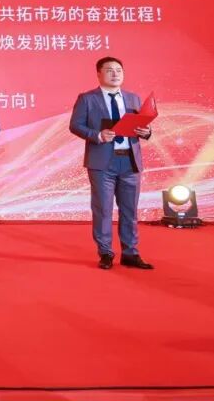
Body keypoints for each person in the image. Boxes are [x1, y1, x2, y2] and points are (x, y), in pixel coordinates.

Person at [69, 56, 154, 271]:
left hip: (130, 161)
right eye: (109, 70)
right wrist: (97, 135)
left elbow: (141, 125)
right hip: (102, 162)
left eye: (119, 70)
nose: (115, 74)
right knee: (103, 210)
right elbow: (75, 125)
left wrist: (146, 132)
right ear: (98, 74)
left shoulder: (133, 98)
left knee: (130, 210)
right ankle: (105, 252)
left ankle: (130, 253)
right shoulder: (87, 99)